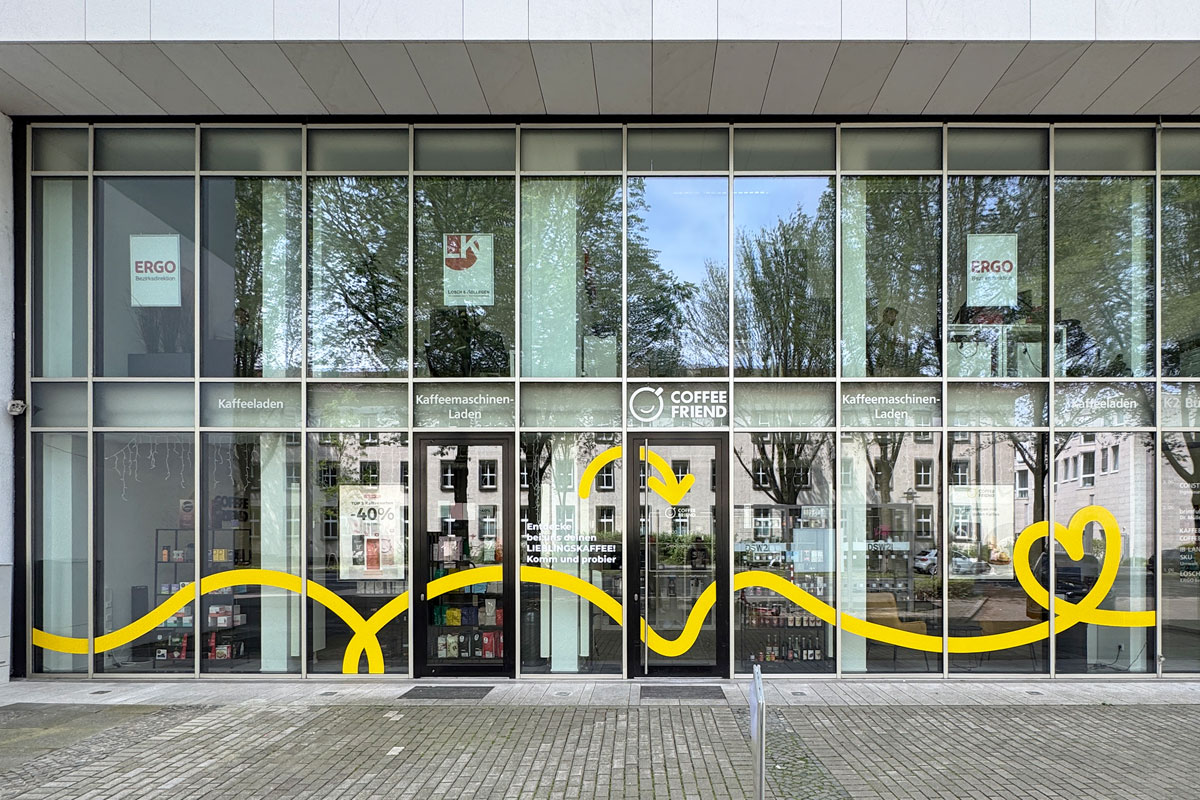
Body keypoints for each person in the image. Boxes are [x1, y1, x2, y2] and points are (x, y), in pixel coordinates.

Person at [866, 305, 904, 376]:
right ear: (887, 315)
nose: (895, 319)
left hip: (874, 361)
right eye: (894, 316)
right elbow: (885, 345)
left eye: (895, 316)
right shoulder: (886, 328)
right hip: (878, 362)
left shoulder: (878, 328)